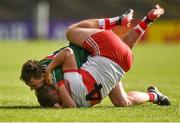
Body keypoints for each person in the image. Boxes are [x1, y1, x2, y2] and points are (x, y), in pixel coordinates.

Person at [21, 5, 171, 108]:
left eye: (33, 85)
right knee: (122, 101)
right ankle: (154, 96)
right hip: (104, 60)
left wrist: (59, 104)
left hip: (99, 51)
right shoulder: (43, 70)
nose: (32, 89)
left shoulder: (53, 76)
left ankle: (119, 20)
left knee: (70, 31)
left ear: (42, 74)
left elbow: (67, 55)